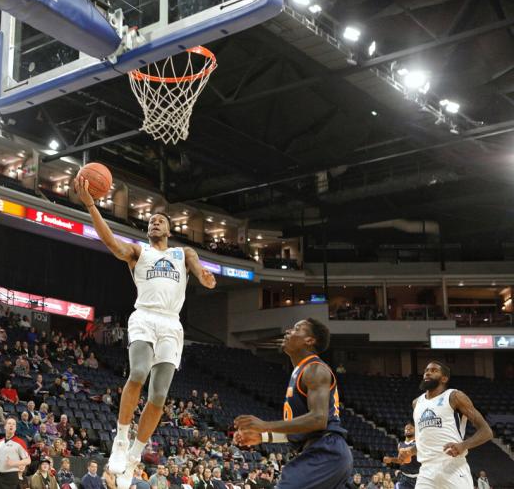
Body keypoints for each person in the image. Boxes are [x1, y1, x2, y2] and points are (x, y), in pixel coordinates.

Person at [75, 176, 216, 489]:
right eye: (151, 220)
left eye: (160, 220)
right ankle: (122, 440)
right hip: (145, 316)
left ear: (168, 229)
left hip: (171, 323)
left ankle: (135, 456)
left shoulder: (183, 254)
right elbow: (111, 242)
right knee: (138, 371)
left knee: (159, 395)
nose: (155, 223)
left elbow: (196, 266)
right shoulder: (140, 253)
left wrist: (204, 275)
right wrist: (90, 205)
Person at [233, 318, 352, 488]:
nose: (289, 331)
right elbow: (303, 428)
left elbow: (318, 420)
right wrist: (263, 436)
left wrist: (265, 425)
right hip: (324, 452)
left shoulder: (315, 369)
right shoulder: (300, 371)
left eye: (297, 329)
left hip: (325, 452)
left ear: (309, 340)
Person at [400, 362, 493, 489]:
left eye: (434, 370)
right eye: (426, 370)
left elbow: (486, 432)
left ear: (444, 378)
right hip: (426, 471)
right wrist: (410, 451)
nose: (427, 372)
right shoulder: (416, 403)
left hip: (453, 466)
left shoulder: (455, 396)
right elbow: (425, 441)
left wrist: (463, 445)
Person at [383, 421, 419, 488]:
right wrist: (391, 459)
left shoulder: (418, 442)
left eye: (410, 428)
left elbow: (409, 456)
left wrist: (408, 452)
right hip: (405, 478)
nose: (407, 429)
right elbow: (400, 460)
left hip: (419, 477)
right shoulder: (400, 444)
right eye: (406, 428)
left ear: (415, 430)